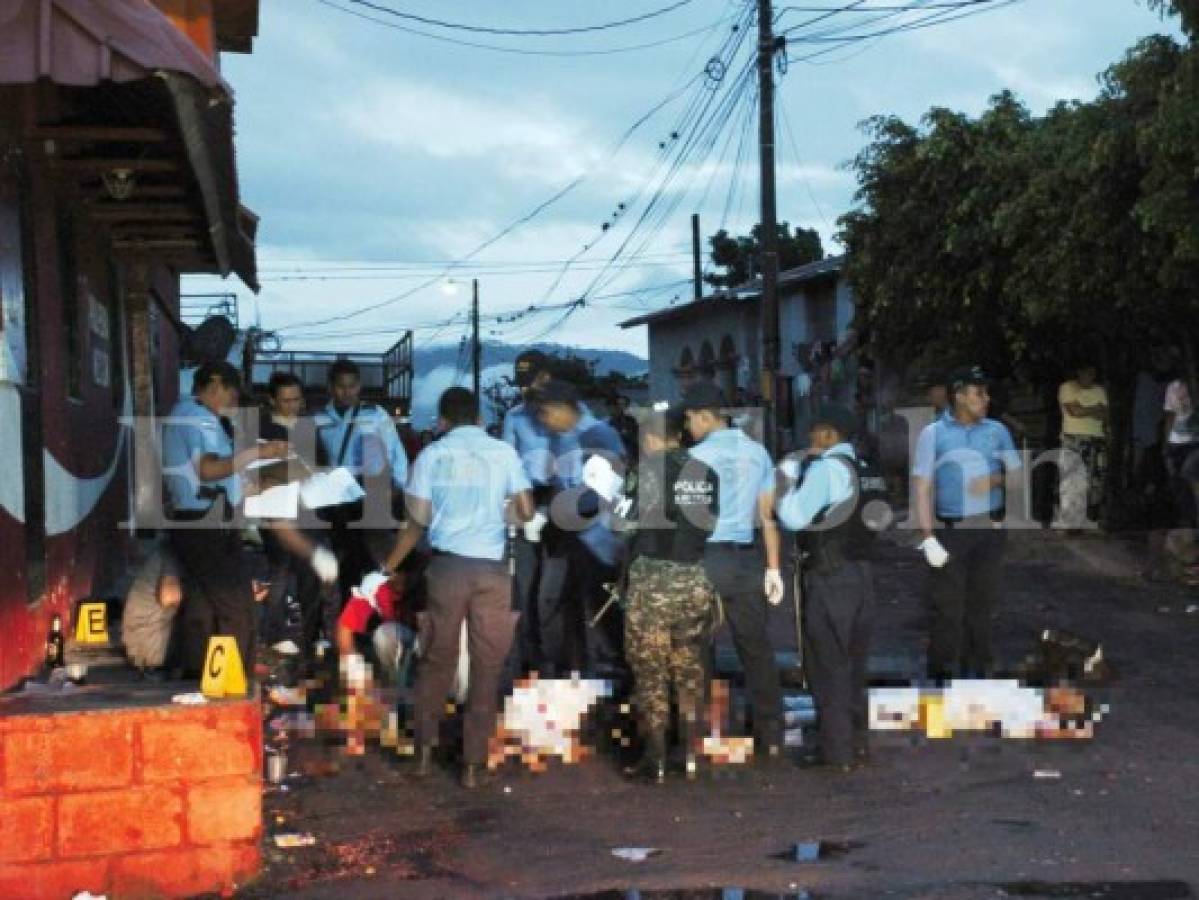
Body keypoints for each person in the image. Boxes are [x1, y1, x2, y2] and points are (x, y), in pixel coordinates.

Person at [383, 387, 534, 788]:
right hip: (492, 571)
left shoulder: (432, 455)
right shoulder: (503, 452)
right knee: (487, 666)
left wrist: (386, 569)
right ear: (481, 419)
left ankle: (423, 753)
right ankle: (471, 763)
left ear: (442, 420)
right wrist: (495, 513)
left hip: (446, 569)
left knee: (436, 660)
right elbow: (525, 510)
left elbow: (414, 523)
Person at [161, 361, 289, 678]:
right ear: (215, 384)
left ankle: (198, 674)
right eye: (232, 394)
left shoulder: (199, 418)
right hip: (205, 523)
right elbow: (207, 470)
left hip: (206, 520)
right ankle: (234, 680)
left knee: (203, 608)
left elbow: (224, 477)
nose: (234, 403)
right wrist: (259, 454)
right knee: (238, 606)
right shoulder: (196, 417)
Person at [681, 382, 785, 759]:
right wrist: (774, 569)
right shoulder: (758, 454)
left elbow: (687, 520)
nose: (688, 425)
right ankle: (770, 734)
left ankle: (704, 733)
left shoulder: (693, 457)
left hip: (705, 557)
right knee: (755, 647)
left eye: (690, 417)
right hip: (746, 559)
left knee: (698, 648)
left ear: (706, 416)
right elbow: (767, 516)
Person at [617, 407, 719, 782]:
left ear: (650, 438)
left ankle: (656, 756)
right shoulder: (706, 473)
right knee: (689, 665)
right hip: (693, 577)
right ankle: (690, 751)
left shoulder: (645, 472)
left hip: (652, 580)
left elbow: (622, 525)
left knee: (650, 669)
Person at [777, 405, 876, 771]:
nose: (809, 441)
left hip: (831, 576)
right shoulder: (867, 471)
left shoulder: (827, 469)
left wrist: (786, 481)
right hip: (863, 576)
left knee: (828, 664)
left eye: (815, 434)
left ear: (831, 436)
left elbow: (794, 517)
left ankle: (836, 753)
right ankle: (857, 744)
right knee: (853, 665)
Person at [912, 365, 1023, 682]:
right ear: (959, 396)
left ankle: (978, 671)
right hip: (950, 531)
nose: (985, 399)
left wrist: (995, 479)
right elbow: (922, 486)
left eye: (986, 393)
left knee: (982, 606)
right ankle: (943, 674)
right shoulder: (933, 434)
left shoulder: (996, 431)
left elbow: (1016, 477)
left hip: (989, 530)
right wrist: (928, 537)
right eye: (978, 393)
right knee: (948, 609)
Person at [535, 379, 629, 683]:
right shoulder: (568, 438)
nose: (544, 421)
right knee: (572, 611)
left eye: (546, 413)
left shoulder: (598, 435)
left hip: (599, 542)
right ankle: (579, 673)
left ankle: (620, 676)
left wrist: (558, 515)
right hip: (578, 539)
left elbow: (602, 492)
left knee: (604, 614)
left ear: (564, 408)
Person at [257, 373, 339, 659]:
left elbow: (320, 462)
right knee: (280, 571)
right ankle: (275, 633)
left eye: (297, 399)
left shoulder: (307, 426)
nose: (293, 405)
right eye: (286, 400)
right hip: (276, 510)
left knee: (310, 575)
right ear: (272, 400)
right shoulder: (261, 429)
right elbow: (257, 472)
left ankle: (314, 633)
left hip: (307, 507)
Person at [314, 358, 409, 602]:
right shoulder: (320, 419)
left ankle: (376, 618)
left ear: (359, 386)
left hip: (373, 495)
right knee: (346, 562)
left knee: (376, 558)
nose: (346, 392)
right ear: (330, 387)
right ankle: (352, 619)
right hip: (337, 500)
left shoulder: (375, 415)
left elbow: (395, 453)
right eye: (340, 386)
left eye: (352, 385)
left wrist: (398, 489)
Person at [501, 350, 556, 680]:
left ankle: (559, 661)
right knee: (524, 586)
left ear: (546, 378)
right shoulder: (515, 417)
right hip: (527, 507)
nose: (524, 391)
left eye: (530, 383)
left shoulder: (572, 413)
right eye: (520, 384)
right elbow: (509, 465)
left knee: (555, 590)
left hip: (565, 506)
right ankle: (526, 660)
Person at [122, 539, 184, 677]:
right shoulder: (171, 556)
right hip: (150, 647)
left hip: (142, 642)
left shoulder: (165, 551)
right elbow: (169, 597)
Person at [1057, 364, 1109, 529]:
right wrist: (1094, 409)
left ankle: (1091, 518)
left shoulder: (1099, 390)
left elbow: (1105, 414)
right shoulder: (1067, 387)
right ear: (1078, 372)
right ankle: (1070, 520)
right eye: (1086, 371)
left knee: (1095, 480)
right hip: (1073, 438)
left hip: (1096, 438)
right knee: (1072, 480)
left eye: (1092, 372)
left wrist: (1084, 409)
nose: (1089, 375)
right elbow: (1074, 411)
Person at [1163, 370, 1199, 528]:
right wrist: (1166, 442)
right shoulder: (1173, 386)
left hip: (1195, 441)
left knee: (1190, 475)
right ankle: (1188, 518)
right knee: (1178, 481)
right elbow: (1170, 416)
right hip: (1177, 441)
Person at [608, 394, 640, 462]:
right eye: (619, 405)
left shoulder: (631, 420)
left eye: (623, 405)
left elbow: (635, 436)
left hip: (628, 452)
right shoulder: (607, 422)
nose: (621, 407)